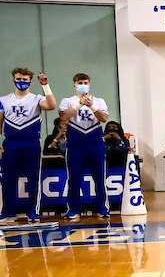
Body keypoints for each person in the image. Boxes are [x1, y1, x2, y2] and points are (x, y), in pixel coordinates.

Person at [0, 68, 56, 224]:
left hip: (31, 143)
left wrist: (46, 86)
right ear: (13, 79)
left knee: (33, 178)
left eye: (25, 80)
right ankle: (9, 212)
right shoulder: (4, 100)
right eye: (19, 79)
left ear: (30, 81)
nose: (22, 82)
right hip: (11, 143)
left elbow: (51, 106)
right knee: (9, 179)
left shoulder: (37, 98)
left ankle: (32, 211)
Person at [58, 73, 111, 220]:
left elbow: (104, 118)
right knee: (74, 178)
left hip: (95, 143)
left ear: (89, 84)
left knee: (99, 177)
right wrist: (79, 105)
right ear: (74, 84)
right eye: (80, 82)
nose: (83, 84)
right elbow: (63, 116)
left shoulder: (99, 101)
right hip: (75, 144)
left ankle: (101, 207)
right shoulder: (68, 101)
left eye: (85, 82)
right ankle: (74, 209)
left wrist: (91, 105)